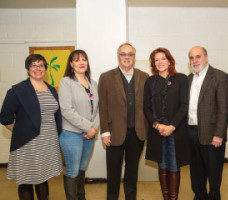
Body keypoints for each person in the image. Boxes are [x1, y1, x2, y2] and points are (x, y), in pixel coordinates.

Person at [0, 54, 62, 200]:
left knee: (43, 177)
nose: (38, 68)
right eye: (33, 65)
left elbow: (55, 114)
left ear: (45, 69)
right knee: (26, 180)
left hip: (48, 143)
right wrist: (21, 131)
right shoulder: (18, 90)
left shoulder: (51, 89)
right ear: (28, 69)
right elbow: (5, 117)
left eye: (41, 65)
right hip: (27, 144)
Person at [98, 43, 148, 200]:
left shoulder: (144, 76)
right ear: (118, 56)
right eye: (123, 54)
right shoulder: (106, 77)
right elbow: (103, 106)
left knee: (132, 171)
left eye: (130, 54)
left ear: (134, 57)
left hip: (137, 133)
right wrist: (105, 131)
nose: (127, 57)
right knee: (113, 172)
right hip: (114, 133)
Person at [143, 47, 190, 200]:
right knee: (162, 165)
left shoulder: (181, 79)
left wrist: (171, 126)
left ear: (170, 61)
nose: (160, 62)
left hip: (176, 132)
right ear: (153, 64)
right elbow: (146, 108)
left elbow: (184, 105)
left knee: (174, 165)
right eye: (156, 60)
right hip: (157, 132)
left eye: (163, 58)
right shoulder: (150, 82)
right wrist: (157, 125)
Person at [187, 46, 228, 200]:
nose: (195, 61)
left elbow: (224, 109)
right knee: (196, 172)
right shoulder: (189, 79)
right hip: (191, 134)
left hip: (212, 135)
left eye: (198, 57)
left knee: (213, 174)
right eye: (191, 58)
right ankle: (199, 196)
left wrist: (219, 135)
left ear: (206, 57)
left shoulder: (220, 77)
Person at [59, 50, 99, 200]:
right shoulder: (66, 82)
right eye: (76, 60)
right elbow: (66, 110)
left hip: (90, 135)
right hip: (71, 134)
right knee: (73, 170)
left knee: (82, 168)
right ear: (71, 64)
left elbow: (98, 109)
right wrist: (88, 127)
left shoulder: (93, 83)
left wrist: (93, 128)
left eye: (84, 59)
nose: (81, 63)